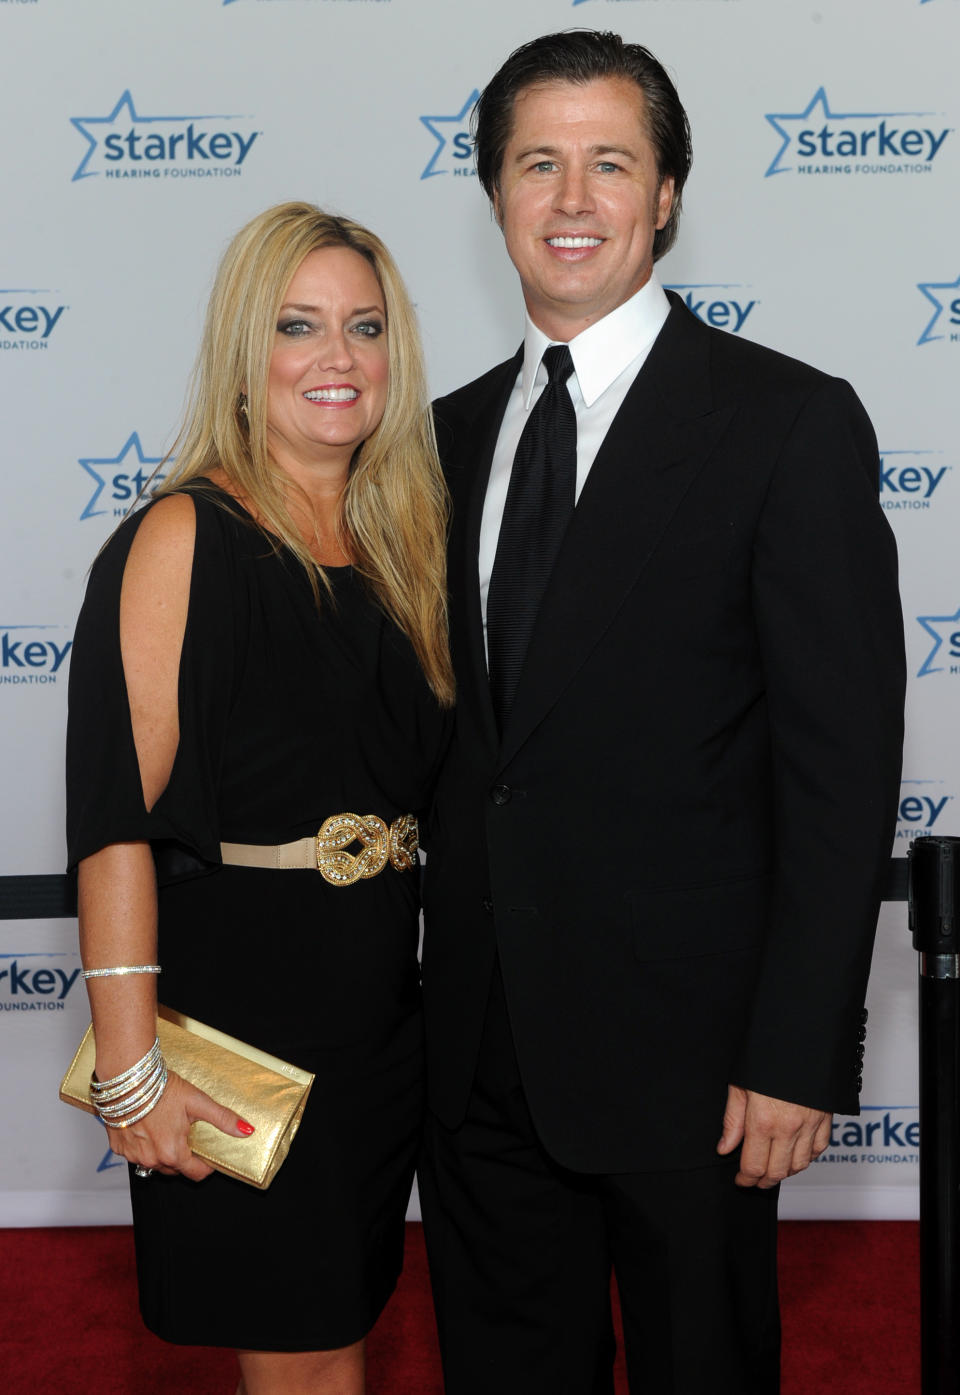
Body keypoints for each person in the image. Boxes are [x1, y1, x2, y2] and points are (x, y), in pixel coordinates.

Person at [418, 30, 905, 1395]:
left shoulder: (784, 423)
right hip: (476, 1068)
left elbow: (841, 766)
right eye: (538, 164)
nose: (573, 199)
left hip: (696, 1074)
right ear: (496, 194)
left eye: (611, 163)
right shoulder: (438, 438)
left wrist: (798, 1051)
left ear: (669, 192)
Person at [66, 201, 453, 1395]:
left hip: (383, 1017)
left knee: (341, 1328)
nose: (338, 358)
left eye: (366, 327)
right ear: (248, 349)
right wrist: (132, 1070)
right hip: (243, 1025)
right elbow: (115, 818)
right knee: (295, 1344)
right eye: (301, 325)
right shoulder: (185, 534)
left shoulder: (402, 541)